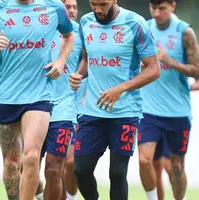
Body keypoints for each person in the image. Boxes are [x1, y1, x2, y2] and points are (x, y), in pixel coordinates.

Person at [0, 0, 75, 199]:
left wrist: (61, 60)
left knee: (32, 156)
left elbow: (69, 36)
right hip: (7, 96)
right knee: (12, 165)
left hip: (39, 95)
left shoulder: (53, 7)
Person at [69, 0, 161, 199]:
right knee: (80, 169)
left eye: (103, 4)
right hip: (92, 110)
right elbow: (87, 58)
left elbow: (154, 69)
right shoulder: (86, 22)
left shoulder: (135, 23)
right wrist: (79, 74)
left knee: (118, 173)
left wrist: (121, 88)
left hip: (125, 111)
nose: (98, 9)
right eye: (94, 4)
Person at [137, 1, 199, 200]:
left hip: (177, 112)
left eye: (161, 8)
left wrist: (169, 61)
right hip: (148, 110)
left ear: (173, 6)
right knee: (145, 160)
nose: (156, 13)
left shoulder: (184, 32)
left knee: (176, 167)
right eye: (152, 8)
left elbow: (197, 70)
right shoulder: (144, 29)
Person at [40, 0, 82, 199]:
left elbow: (91, 59)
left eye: (74, 6)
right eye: (67, 6)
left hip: (66, 107)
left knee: (55, 169)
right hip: (34, 106)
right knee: (25, 166)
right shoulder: (39, 26)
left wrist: (80, 75)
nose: (72, 11)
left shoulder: (82, 31)